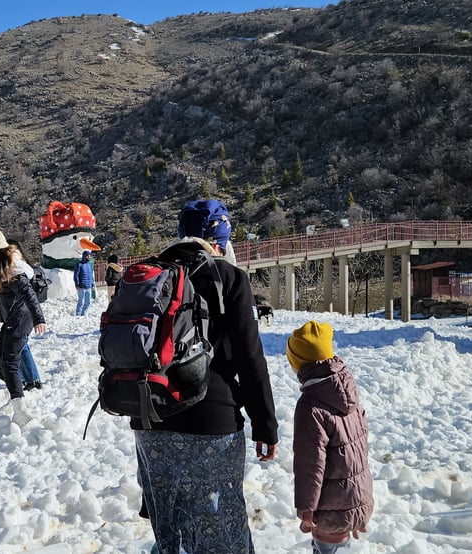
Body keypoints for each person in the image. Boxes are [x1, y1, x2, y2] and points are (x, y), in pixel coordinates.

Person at [132, 199, 278, 553]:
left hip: (150, 417)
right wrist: (265, 424)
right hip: (212, 420)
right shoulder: (228, 277)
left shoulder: (147, 275)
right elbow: (249, 357)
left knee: (170, 525)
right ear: (222, 239)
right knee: (219, 524)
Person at [288, 320, 373, 553]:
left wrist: (307, 507)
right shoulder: (347, 390)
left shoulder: (311, 406)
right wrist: (357, 502)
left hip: (329, 504)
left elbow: (310, 463)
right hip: (356, 494)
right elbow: (358, 447)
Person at [0, 222, 47, 426]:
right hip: (12, 318)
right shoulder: (1, 269)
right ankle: (17, 393)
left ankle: (20, 410)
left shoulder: (13, 269)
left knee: (8, 361)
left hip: (22, 317)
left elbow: (29, 294)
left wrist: (38, 318)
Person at [8, 239, 44, 390]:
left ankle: (32, 379)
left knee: (20, 345)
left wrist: (39, 319)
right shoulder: (12, 268)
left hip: (24, 313)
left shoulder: (18, 270)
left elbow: (30, 296)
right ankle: (27, 378)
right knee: (20, 345)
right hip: (17, 312)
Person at [74, 250, 94, 316]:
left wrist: (92, 284)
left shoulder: (89, 265)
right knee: (81, 302)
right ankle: (78, 314)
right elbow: (76, 275)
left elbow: (91, 275)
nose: (89, 257)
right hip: (81, 287)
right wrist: (77, 284)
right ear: (84, 256)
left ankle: (84, 313)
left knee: (88, 302)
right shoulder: (79, 264)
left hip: (88, 287)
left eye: (89, 256)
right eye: (88, 256)